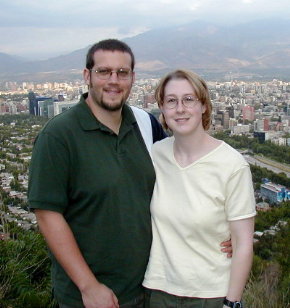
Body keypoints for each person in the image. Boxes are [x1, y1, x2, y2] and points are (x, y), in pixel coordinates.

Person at [28, 40, 231, 308]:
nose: (114, 80)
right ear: (87, 75)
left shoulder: (145, 124)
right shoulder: (58, 136)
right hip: (91, 297)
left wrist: (227, 228)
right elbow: (47, 215)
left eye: (122, 73)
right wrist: (88, 286)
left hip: (152, 287)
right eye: (104, 72)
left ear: (133, 78)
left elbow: (185, 176)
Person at [143, 69, 256, 308]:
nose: (180, 108)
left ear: (204, 106)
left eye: (189, 99)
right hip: (159, 290)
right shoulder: (155, 155)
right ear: (162, 108)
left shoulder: (232, 165)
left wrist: (231, 303)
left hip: (212, 294)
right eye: (171, 101)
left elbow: (243, 243)